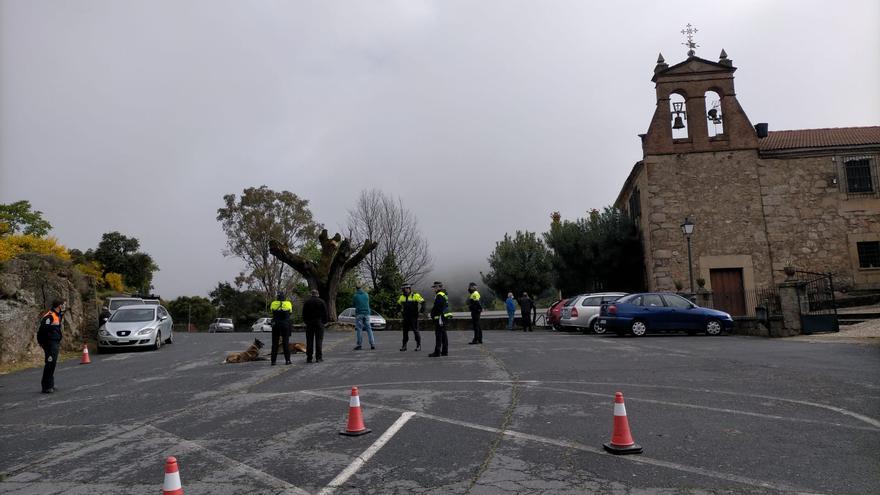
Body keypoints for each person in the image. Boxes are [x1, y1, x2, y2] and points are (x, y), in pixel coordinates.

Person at [37, 299, 65, 393]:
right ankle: (46, 387)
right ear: (59, 305)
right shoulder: (49, 316)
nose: (64, 306)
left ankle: (50, 384)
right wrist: (43, 343)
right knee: (49, 363)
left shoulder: (58, 315)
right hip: (49, 343)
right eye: (63, 304)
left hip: (54, 343)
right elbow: (42, 331)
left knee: (52, 364)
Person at [302, 289, 328, 363]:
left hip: (309, 323)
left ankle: (309, 357)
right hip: (319, 323)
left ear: (311, 294)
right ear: (318, 294)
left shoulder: (307, 302)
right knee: (319, 340)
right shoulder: (321, 302)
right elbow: (325, 313)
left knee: (309, 341)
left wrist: (306, 322)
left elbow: (304, 314)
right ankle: (318, 357)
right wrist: (324, 322)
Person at [397, 283, 424, 351]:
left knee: (415, 331)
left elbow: (423, 303)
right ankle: (404, 346)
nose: (403, 290)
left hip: (413, 317)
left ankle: (418, 345)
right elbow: (398, 304)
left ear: (408, 288)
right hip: (405, 317)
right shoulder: (402, 296)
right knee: (405, 332)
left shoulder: (415, 295)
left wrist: (421, 311)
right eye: (402, 289)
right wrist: (398, 311)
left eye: (404, 289)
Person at [428, 281, 452, 357]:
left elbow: (438, 307)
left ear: (439, 287)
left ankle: (437, 352)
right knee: (443, 334)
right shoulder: (444, 294)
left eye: (435, 287)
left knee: (438, 335)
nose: (434, 289)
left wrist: (432, 314)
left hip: (440, 318)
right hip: (444, 317)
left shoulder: (439, 295)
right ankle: (445, 351)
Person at [269, 292, 293, 365]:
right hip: (285, 325)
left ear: (277, 297)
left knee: (275, 343)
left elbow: (271, 311)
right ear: (284, 297)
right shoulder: (288, 303)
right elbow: (290, 312)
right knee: (285, 342)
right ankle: (287, 360)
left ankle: (273, 361)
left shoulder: (273, 303)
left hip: (276, 325)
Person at [352, 285, 375, 350]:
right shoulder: (366, 295)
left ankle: (359, 345)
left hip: (359, 313)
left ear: (356, 289)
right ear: (362, 288)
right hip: (367, 313)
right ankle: (372, 344)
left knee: (359, 329)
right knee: (369, 329)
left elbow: (353, 304)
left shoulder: (355, 296)